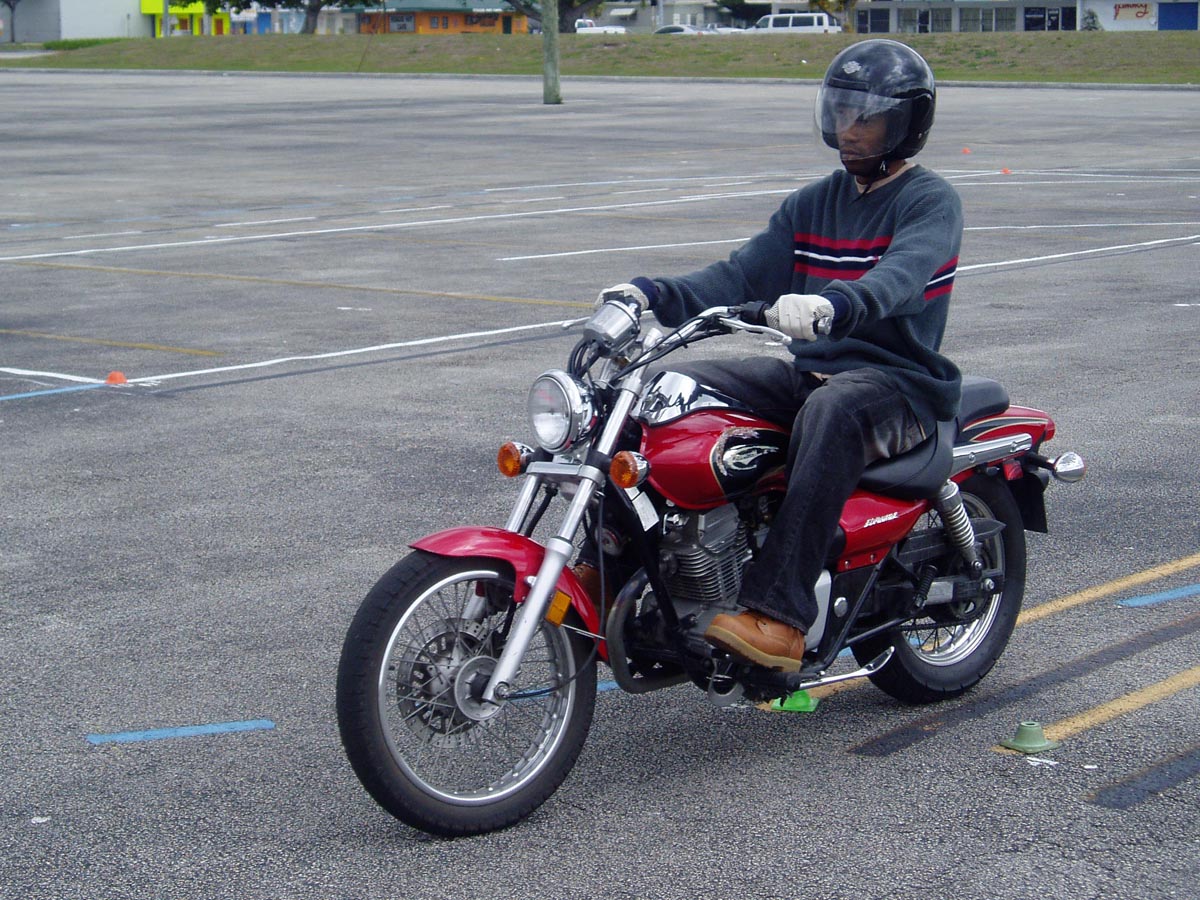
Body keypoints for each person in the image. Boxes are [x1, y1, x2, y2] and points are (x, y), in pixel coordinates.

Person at [595, 39, 964, 673]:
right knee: (663, 387)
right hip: (811, 372)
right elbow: (739, 276)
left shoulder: (930, 202)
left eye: (868, 118)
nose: (850, 129)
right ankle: (611, 561)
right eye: (842, 113)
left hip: (898, 385)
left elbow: (901, 276)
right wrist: (651, 293)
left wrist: (835, 305)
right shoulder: (813, 202)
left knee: (833, 411)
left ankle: (781, 617)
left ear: (907, 124)